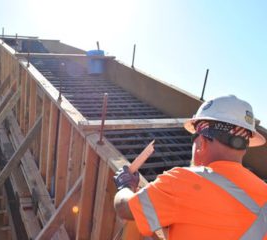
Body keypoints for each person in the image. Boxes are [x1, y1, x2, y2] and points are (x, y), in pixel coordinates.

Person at [114, 95, 267, 240]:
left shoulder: (183, 181)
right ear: (244, 147)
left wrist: (125, 185)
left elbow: (124, 208)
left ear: (201, 142)